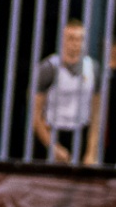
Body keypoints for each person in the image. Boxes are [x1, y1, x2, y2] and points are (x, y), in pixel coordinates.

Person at [31, 19, 96, 164]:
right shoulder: (48, 68)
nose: (75, 43)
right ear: (62, 40)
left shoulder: (93, 68)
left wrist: (91, 151)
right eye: (71, 38)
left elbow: (97, 115)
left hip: (80, 133)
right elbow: (35, 114)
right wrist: (52, 146)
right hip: (51, 133)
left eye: (80, 39)